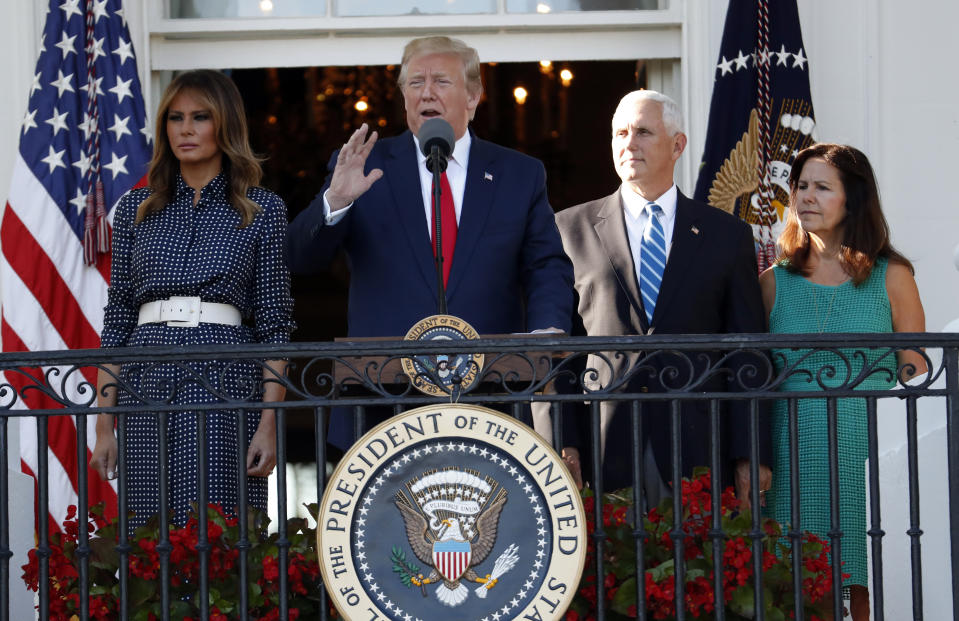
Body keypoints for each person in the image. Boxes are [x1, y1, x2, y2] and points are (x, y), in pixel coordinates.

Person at [287, 36, 574, 446]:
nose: (427, 92)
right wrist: (335, 201)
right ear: (403, 95)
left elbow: (546, 265)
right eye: (415, 82)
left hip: (489, 401)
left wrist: (546, 330)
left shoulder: (518, 174)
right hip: (381, 404)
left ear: (473, 96)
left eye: (441, 81)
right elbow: (300, 257)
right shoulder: (364, 166)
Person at [90, 70, 295, 527]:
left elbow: (275, 324)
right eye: (176, 118)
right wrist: (105, 426)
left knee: (219, 527)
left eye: (200, 117)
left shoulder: (262, 211)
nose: (186, 129)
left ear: (225, 125)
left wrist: (268, 422)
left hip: (228, 375)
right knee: (149, 529)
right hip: (146, 374)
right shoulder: (134, 210)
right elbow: (118, 318)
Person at [555, 89, 771, 505]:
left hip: (699, 448)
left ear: (677, 145)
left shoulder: (727, 235)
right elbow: (558, 348)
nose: (628, 144)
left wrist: (750, 452)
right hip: (602, 451)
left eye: (642, 132)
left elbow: (748, 352)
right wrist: (564, 442)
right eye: (620, 133)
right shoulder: (569, 229)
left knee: (701, 570)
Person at [760, 143, 925, 620]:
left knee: (860, 584)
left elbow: (916, 372)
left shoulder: (891, 276)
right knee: (795, 587)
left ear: (853, 198)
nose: (806, 197)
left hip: (865, 455)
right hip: (790, 455)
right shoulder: (773, 282)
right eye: (801, 187)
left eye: (822, 188)